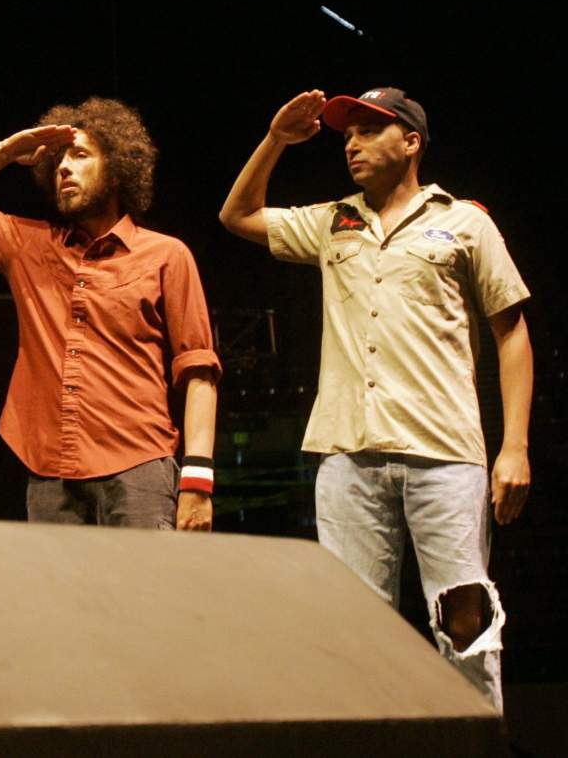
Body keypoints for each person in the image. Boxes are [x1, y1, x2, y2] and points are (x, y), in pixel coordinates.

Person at [218, 88, 533, 710]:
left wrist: (514, 447)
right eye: (346, 135)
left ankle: (477, 741)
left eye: (367, 131)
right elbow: (237, 215)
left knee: (464, 621)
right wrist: (277, 138)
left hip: (443, 451)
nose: (351, 144)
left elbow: (512, 332)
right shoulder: (334, 219)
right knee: (354, 627)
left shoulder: (466, 222)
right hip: (347, 453)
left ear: (411, 141)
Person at [0, 97, 221, 530]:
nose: (63, 168)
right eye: (59, 160)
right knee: (61, 598)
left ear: (116, 170)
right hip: (49, 470)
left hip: (139, 466)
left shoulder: (166, 255)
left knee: (146, 597)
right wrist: (7, 151)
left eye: (80, 155)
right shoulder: (29, 245)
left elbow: (199, 371)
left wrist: (197, 479)